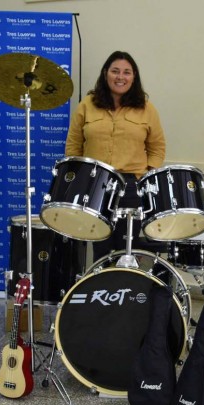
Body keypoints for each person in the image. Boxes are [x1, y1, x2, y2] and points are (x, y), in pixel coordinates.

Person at [65, 51, 166, 262]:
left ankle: (124, 292)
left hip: (131, 186)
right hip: (95, 184)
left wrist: (143, 178)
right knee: (100, 248)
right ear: (105, 74)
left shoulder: (146, 109)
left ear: (134, 77)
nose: (121, 77)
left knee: (126, 248)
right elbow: (73, 145)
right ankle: (101, 291)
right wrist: (80, 178)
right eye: (115, 71)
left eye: (127, 72)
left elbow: (157, 148)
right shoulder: (87, 105)